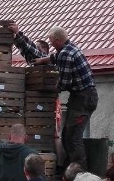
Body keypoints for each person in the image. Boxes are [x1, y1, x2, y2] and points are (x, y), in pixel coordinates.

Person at [9, 23, 98, 171]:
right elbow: (51, 57)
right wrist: (42, 61)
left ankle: (79, 172)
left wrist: (47, 90)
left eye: (51, 41)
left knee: (73, 137)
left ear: (57, 40)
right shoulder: (69, 49)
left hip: (83, 98)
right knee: (67, 134)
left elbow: (64, 83)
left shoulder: (65, 54)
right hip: (82, 97)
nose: (50, 43)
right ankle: (71, 168)